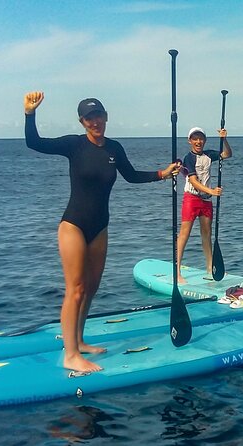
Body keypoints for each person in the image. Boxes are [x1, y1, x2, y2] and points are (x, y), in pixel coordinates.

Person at [23, 91, 180, 373]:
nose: (95, 122)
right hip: (73, 225)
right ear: (82, 121)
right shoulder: (74, 144)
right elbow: (34, 143)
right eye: (89, 118)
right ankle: (70, 354)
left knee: (91, 289)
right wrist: (30, 113)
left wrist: (162, 173)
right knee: (76, 289)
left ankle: (80, 341)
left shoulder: (114, 149)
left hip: (100, 227)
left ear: (106, 117)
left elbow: (131, 176)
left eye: (99, 116)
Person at [176, 127, 232, 283]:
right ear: (190, 141)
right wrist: (212, 191)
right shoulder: (188, 158)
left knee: (207, 234)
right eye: (195, 139)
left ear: (204, 140)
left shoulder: (209, 155)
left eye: (200, 138)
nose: (198, 142)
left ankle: (209, 268)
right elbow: (193, 181)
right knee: (184, 234)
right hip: (191, 199)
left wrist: (224, 139)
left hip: (206, 201)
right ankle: (177, 271)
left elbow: (227, 154)